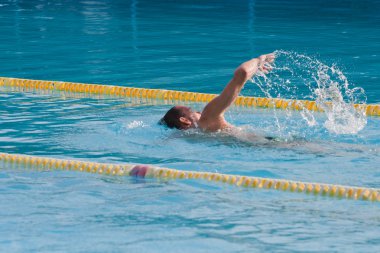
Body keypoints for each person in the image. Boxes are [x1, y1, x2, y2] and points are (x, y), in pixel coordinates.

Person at [160, 53, 275, 132]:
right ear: (184, 120)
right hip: (268, 144)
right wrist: (259, 60)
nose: (199, 111)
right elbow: (242, 73)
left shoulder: (187, 137)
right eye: (192, 110)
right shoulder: (207, 117)